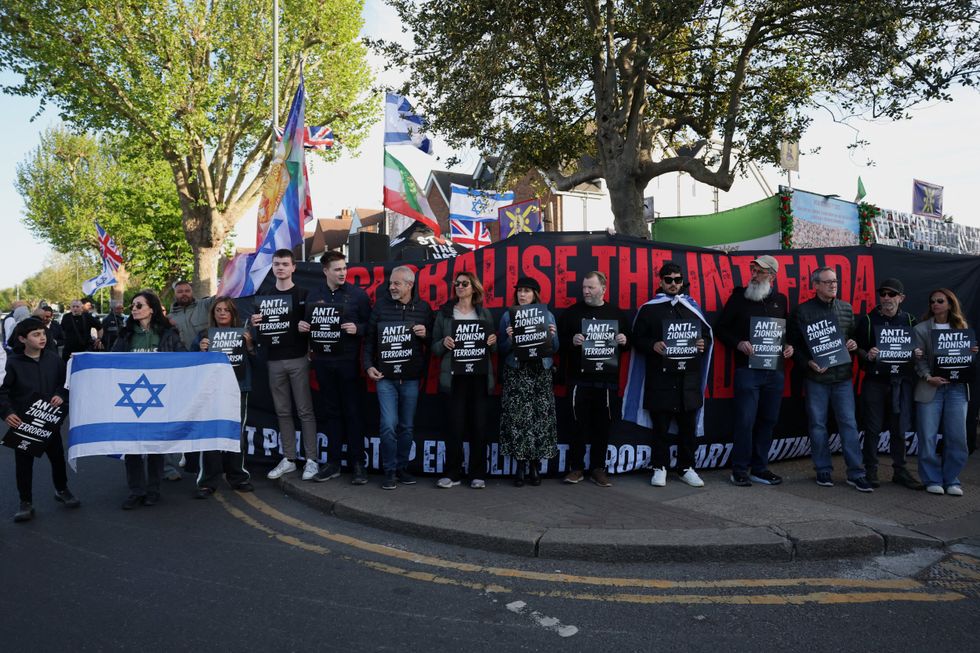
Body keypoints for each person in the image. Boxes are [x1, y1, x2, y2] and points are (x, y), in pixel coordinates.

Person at [628, 263, 711, 488]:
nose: (673, 284)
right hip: (661, 379)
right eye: (668, 280)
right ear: (660, 282)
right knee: (660, 428)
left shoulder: (692, 306)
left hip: (688, 381)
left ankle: (686, 467)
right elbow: (636, 338)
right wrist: (652, 344)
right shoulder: (649, 309)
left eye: (677, 279)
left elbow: (706, 335)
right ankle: (659, 467)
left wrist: (704, 342)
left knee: (687, 428)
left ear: (683, 280)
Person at [790, 267, 873, 491]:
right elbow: (794, 345)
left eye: (835, 281)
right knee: (818, 425)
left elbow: (852, 337)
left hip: (843, 377)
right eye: (827, 282)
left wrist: (854, 345)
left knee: (849, 424)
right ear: (815, 285)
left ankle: (856, 473)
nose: (833, 285)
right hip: (816, 377)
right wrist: (807, 362)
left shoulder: (846, 308)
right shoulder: (802, 311)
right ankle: (823, 470)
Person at [714, 255, 793, 487]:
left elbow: (784, 331)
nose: (754, 275)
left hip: (774, 370)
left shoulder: (781, 300)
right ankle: (739, 469)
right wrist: (738, 342)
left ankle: (760, 468)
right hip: (747, 370)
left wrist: (788, 346)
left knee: (768, 420)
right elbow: (721, 328)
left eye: (760, 271)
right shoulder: (740, 297)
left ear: (772, 276)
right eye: (753, 270)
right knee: (745, 421)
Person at [300, 251, 372, 485]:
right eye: (337, 269)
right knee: (331, 413)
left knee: (353, 412)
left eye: (344, 268)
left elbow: (371, 327)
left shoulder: (358, 295)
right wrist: (303, 326)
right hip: (322, 362)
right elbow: (308, 325)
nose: (342, 273)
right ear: (325, 271)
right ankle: (332, 464)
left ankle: (358, 464)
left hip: (348, 363)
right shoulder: (314, 295)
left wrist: (357, 329)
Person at [112, 291, 186, 509]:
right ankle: (136, 490)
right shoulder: (125, 335)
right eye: (132, 306)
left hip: (160, 397)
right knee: (132, 447)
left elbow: (182, 359)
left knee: (155, 446)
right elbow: (112, 362)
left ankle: (153, 490)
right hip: (131, 397)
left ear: (151, 309)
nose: (133, 309)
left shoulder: (167, 334)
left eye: (138, 305)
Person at [0, 318, 79, 522]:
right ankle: (25, 502)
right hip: (24, 423)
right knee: (24, 464)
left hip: (49, 421)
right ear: (22, 339)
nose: (42, 337)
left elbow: (67, 384)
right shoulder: (12, 363)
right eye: (35, 334)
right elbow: (2, 392)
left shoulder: (54, 359)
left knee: (57, 458)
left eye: (43, 333)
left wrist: (61, 394)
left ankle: (62, 490)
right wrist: (7, 413)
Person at [363, 265, 434, 490]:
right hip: (385, 378)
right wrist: (368, 367)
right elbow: (369, 342)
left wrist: (426, 335)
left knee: (407, 426)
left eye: (397, 283)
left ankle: (402, 467)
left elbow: (435, 343)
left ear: (410, 285)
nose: (391, 287)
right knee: (387, 425)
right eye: (391, 283)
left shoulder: (423, 308)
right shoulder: (381, 307)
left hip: (411, 378)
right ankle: (390, 471)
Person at [253, 249, 320, 482]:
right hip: (273, 360)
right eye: (276, 264)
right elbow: (259, 333)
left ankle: (311, 459)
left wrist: (308, 327)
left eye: (284, 264)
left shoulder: (304, 293)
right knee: (282, 411)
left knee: (305, 410)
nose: (280, 268)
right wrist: (256, 323)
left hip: (299, 358)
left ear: (293, 267)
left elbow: (318, 324)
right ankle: (289, 458)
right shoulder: (265, 296)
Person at [558, 271, 629, 487]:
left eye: (591, 287)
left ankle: (598, 469)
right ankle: (576, 468)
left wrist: (625, 340)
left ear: (603, 289)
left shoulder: (616, 313)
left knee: (602, 426)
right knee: (577, 425)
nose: (586, 291)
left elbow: (629, 344)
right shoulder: (572, 313)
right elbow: (557, 342)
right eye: (584, 288)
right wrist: (572, 340)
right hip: (578, 380)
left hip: (607, 380)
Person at [854, 278, 923, 490]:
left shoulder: (910, 321)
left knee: (899, 429)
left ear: (901, 298)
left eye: (891, 294)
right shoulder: (867, 320)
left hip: (901, 382)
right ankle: (871, 469)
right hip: (875, 381)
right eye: (882, 294)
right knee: (872, 428)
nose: (886, 298)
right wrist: (868, 355)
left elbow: (918, 350)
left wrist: (917, 353)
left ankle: (900, 471)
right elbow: (857, 348)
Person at [431, 271, 498, 489]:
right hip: (454, 378)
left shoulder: (484, 314)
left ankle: (477, 473)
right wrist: (444, 343)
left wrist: (492, 341)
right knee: (454, 426)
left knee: (479, 425)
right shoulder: (445, 314)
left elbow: (494, 348)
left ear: (473, 288)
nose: (459, 286)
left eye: (464, 283)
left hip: (478, 377)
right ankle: (453, 473)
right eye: (457, 283)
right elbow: (434, 347)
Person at [913, 288, 978, 496]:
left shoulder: (962, 327)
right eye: (932, 301)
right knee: (928, 436)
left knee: (957, 436)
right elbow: (918, 359)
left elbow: (965, 361)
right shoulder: (922, 329)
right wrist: (927, 377)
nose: (935, 304)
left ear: (950, 303)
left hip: (957, 389)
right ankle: (931, 478)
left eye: (940, 301)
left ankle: (952, 479)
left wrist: (972, 353)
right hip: (931, 387)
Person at [498, 277, 559, 487]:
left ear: (535, 294)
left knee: (539, 420)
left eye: (526, 291)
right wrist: (508, 339)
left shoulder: (547, 315)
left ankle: (535, 465)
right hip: (517, 371)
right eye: (519, 291)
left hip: (540, 372)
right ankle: (520, 467)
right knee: (518, 420)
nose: (522, 295)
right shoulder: (508, 316)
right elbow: (500, 349)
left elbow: (555, 348)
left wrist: (552, 335)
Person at [194, 296, 255, 497]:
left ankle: (237, 477)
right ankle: (207, 481)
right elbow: (192, 363)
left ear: (233, 314)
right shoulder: (204, 335)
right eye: (218, 309)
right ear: (213, 314)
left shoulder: (244, 333)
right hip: (211, 390)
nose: (221, 313)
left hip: (238, 388)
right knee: (210, 433)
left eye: (226, 310)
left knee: (236, 433)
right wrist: (200, 349)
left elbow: (257, 361)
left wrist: (250, 347)